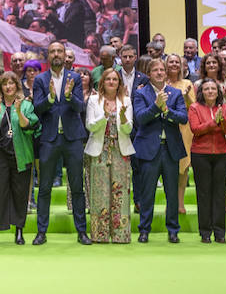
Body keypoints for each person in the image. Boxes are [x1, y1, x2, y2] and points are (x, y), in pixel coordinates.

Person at [31, 42, 89, 244]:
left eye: (59, 51)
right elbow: (38, 108)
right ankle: (41, 232)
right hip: (49, 138)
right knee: (45, 187)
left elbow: (80, 106)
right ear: (48, 56)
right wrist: (50, 98)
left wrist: (68, 96)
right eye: (52, 51)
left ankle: (81, 231)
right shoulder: (40, 79)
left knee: (77, 187)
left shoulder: (74, 78)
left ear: (65, 55)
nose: (56, 54)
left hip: (72, 138)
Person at [0, 71, 39, 244]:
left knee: (20, 193)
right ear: (1, 87)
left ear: (17, 86)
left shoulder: (26, 105)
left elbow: (31, 127)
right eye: (5, 84)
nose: (8, 87)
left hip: (20, 155)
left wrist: (19, 112)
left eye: (11, 83)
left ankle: (19, 230)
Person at [132, 57, 188, 243]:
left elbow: (183, 117)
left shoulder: (176, 93)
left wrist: (167, 112)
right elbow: (140, 118)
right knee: (147, 193)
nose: (159, 73)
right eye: (155, 70)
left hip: (170, 149)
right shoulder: (141, 93)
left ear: (166, 73)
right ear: (149, 74)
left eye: (162, 70)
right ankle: (144, 230)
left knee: (172, 193)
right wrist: (156, 106)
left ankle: (173, 230)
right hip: (149, 150)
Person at [85, 68, 135, 243]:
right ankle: (100, 234)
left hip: (120, 151)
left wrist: (123, 118)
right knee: (100, 192)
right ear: (102, 82)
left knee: (120, 191)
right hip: (100, 149)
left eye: (115, 79)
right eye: (108, 79)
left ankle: (121, 234)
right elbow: (90, 126)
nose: (112, 82)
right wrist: (104, 115)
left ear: (119, 83)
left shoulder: (126, 101)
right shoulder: (93, 100)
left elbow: (129, 129)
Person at [188, 78, 226, 243]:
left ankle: (220, 232)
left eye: (213, 89)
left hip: (221, 153)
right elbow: (196, 129)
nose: (210, 91)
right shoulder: (194, 107)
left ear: (218, 92)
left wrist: (221, 120)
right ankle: (205, 231)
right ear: (201, 92)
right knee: (203, 193)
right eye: (206, 89)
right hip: (200, 154)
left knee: (219, 194)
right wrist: (213, 122)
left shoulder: (225, 108)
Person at [165, 53, 196, 216]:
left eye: (177, 62)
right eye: (171, 61)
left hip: (184, 129)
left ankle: (180, 203)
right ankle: (170, 203)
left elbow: (194, 107)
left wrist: (185, 97)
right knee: (167, 166)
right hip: (165, 128)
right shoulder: (161, 83)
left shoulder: (187, 83)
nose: (174, 64)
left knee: (182, 169)